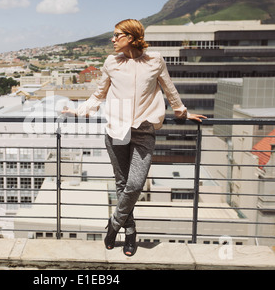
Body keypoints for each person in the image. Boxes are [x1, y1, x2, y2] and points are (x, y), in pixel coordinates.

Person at [62, 19, 206, 256]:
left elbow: (170, 90)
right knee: (121, 184)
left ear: (131, 37)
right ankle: (130, 233)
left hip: (144, 131)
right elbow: (98, 95)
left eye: (117, 35)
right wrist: (77, 111)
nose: (112, 39)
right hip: (117, 131)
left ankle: (114, 224)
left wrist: (183, 112)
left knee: (135, 184)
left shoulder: (155, 61)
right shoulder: (111, 62)